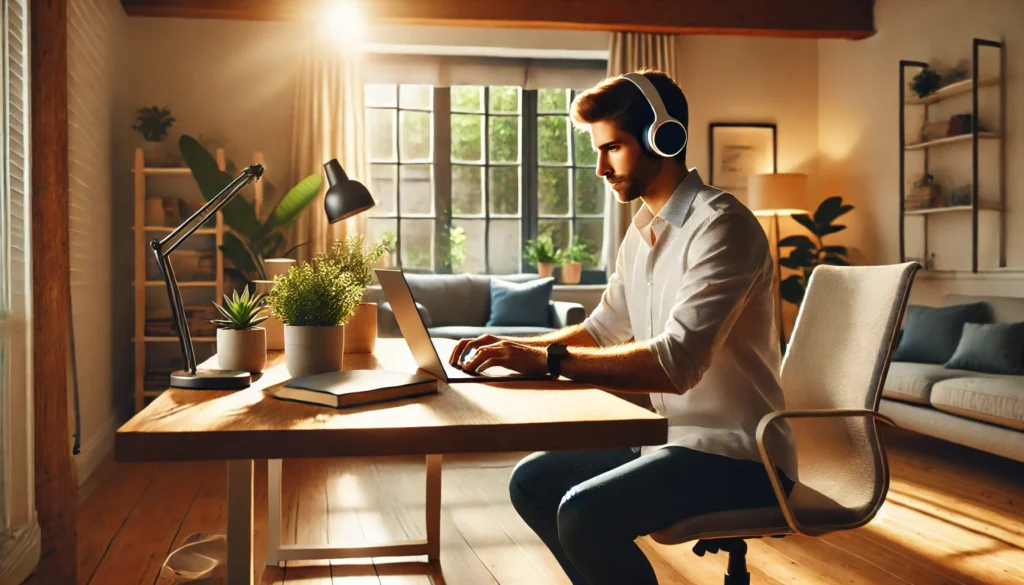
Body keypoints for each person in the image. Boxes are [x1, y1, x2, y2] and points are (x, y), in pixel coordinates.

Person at [447, 69, 797, 585]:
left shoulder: (722, 226)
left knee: (585, 514)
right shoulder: (642, 235)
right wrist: (514, 348)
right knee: (533, 482)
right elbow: (601, 329)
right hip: (669, 440)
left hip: (743, 456)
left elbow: (677, 364)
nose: (599, 168)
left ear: (665, 137)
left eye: (612, 148)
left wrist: (546, 361)